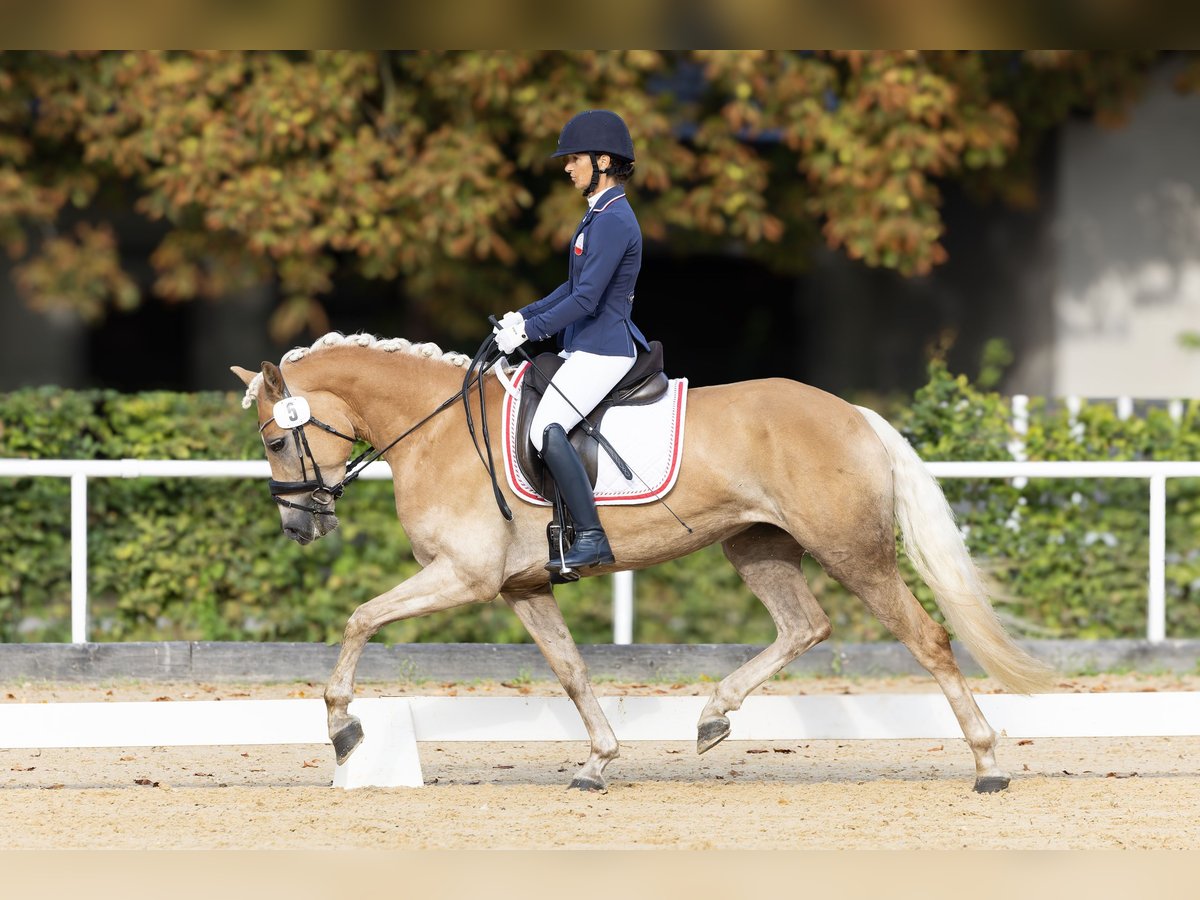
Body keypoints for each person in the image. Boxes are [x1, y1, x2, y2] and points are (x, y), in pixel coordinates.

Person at [494, 109, 651, 574]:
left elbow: (585, 299)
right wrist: (523, 315)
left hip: (604, 349)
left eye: (574, 158)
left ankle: (590, 536)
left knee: (547, 428)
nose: (567, 167)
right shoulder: (597, 216)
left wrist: (532, 331)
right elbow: (570, 288)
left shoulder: (614, 220)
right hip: (583, 344)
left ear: (603, 160)